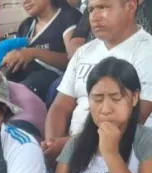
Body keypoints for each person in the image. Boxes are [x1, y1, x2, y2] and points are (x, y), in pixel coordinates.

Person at [43, 0, 152, 163]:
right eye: (91, 9)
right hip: (72, 154)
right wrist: (52, 144)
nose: (94, 17)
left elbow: (134, 118)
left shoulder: (147, 51)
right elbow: (60, 106)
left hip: (124, 156)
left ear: (130, 7)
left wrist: (69, 145)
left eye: (103, 7)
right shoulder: (83, 52)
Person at [0, 0, 81, 100]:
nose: (25, 1)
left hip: (50, 82)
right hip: (22, 80)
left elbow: (74, 60)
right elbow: (16, 58)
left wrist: (34, 53)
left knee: (27, 88)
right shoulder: (26, 25)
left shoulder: (68, 17)